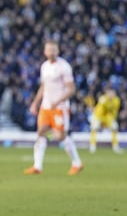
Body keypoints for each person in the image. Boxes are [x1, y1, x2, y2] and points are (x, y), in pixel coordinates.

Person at [24, 40, 84, 176]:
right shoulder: (44, 66)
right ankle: (37, 166)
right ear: (45, 51)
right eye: (48, 49)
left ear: (58, 51)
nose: (51, 52)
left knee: (60, 136)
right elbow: (43, 86)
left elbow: (71, 89)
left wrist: (57, 101)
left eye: (53, 49)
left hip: (59, 107)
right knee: (41, 131)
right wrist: (35, 103)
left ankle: (77, 163)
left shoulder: (64, 67)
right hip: (46, 106)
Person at [89, 88, 123, 154]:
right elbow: (100, 109)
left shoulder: (117, 100)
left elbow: (114, 111)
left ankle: (115, 146)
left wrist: (112, 118)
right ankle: (92, 146)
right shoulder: (103, 99)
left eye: (112, 93)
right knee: (94, 128)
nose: (111, 95)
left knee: (115, 127)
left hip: (108, 116)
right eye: (109, 93)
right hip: (99, 115)